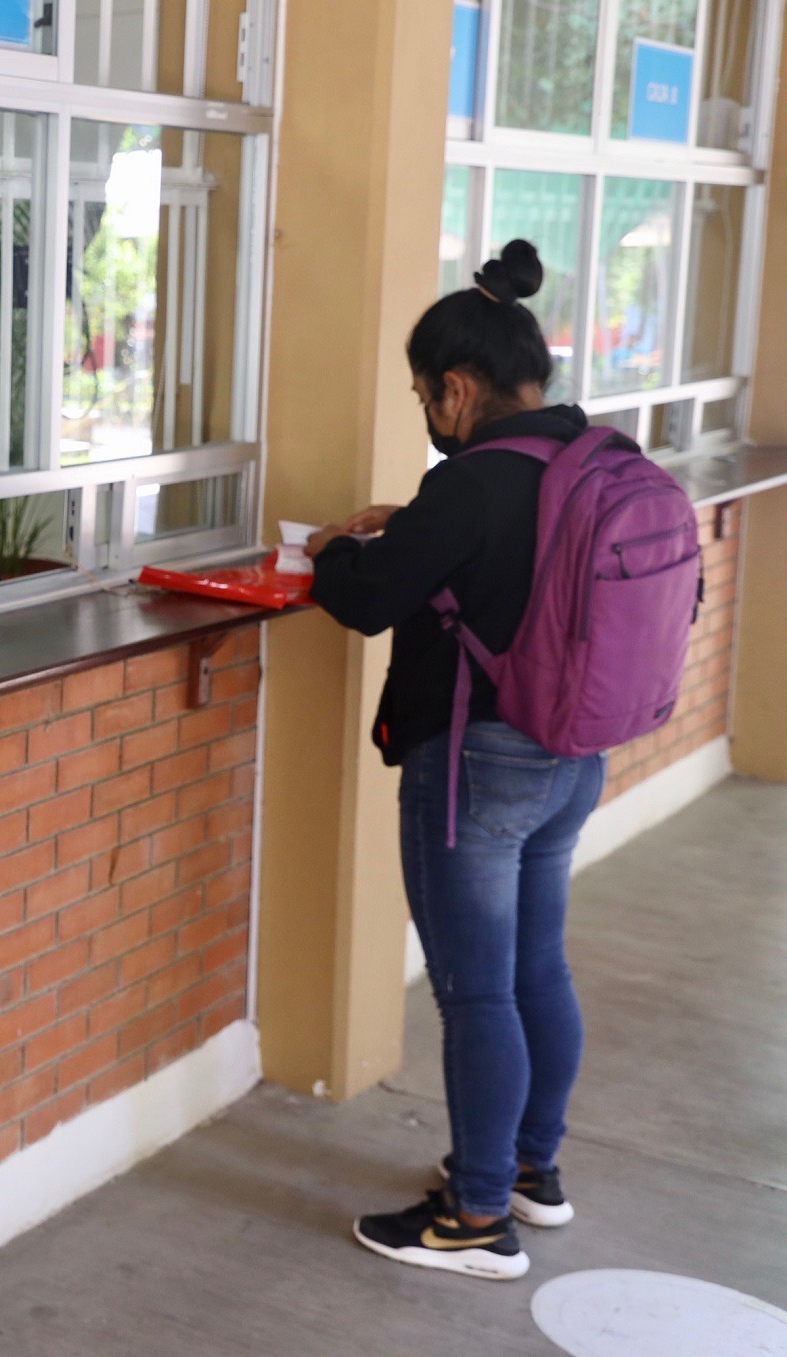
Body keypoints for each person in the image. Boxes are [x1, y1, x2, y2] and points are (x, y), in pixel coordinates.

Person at [306, 240, 601, 1282]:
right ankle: (528, 1169)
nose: (428, 412)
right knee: (536, 968)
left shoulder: (468, 483)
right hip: (572, 756)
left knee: (474, 994)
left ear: (459, 388)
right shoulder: (588, 458)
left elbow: (367, 600)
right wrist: (414, 526)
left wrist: (330, 551)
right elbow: (500, 562)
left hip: (478, 766)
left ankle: (475, 1217)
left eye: (424, 394)